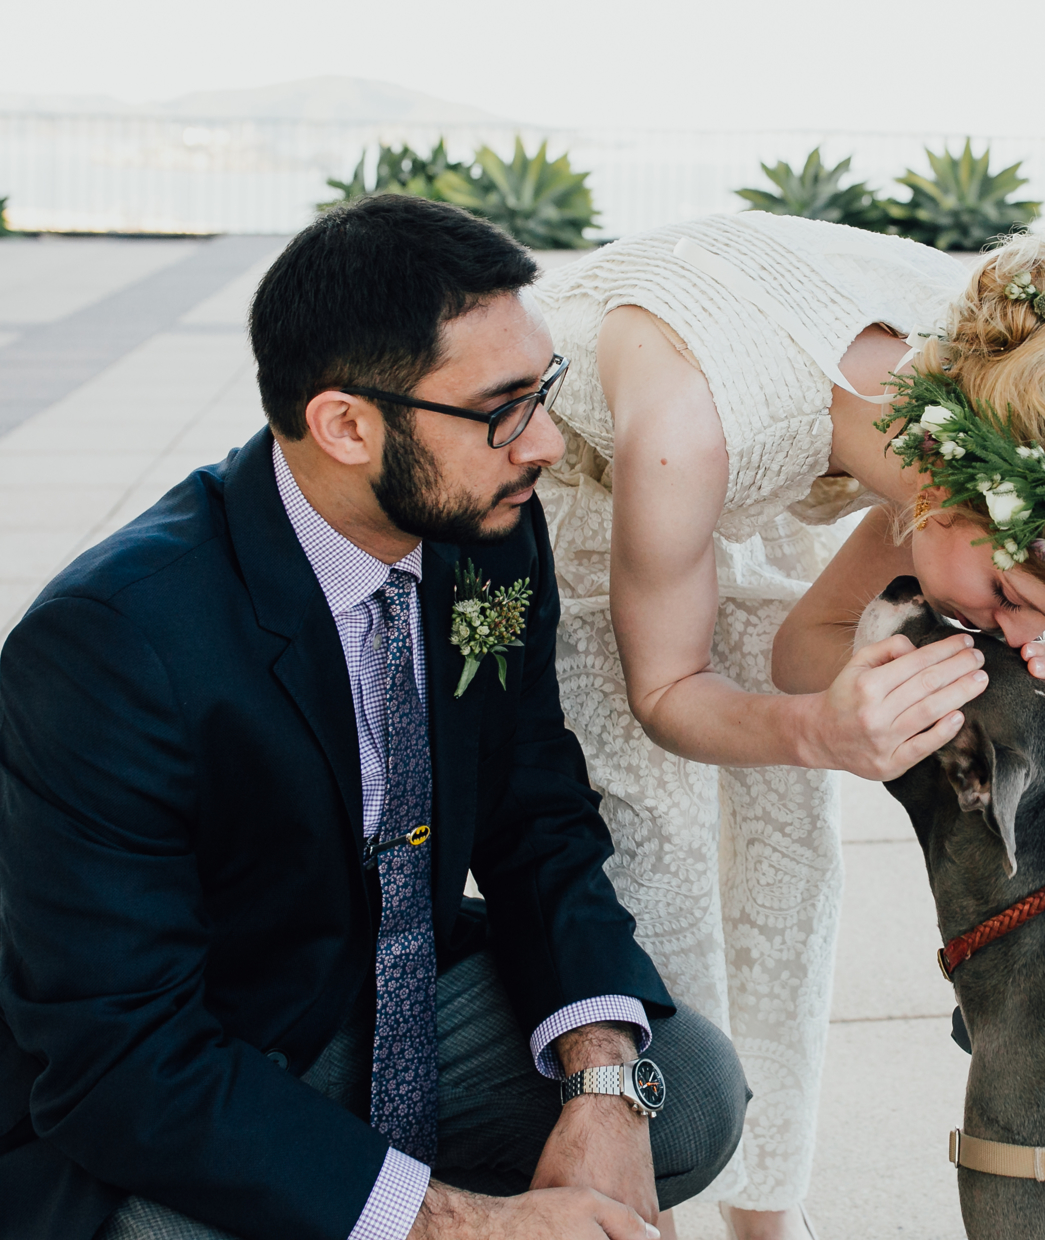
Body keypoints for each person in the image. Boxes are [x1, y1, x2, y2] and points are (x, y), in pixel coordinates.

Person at [0, 195, 747, 1240]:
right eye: (501, 409)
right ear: (346, 424)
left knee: (691, 1089)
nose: (543, 445)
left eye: (545, 391)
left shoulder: (484, 532)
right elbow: (121, 1059)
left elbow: (538, 814)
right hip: (205, 1059)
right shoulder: (113, 644)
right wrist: (464, 1225)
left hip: (391, 1000)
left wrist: (601, 1088)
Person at [533, 220, 1045, 1238]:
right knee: (657, 863)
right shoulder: (685, 428)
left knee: (791, 858)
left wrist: (953, 692)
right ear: (949, 497)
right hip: (609, 496)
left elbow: (802, 647)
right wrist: (821, 733)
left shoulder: (973, 403)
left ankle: (767, 1218)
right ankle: (653, 1207)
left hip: (762, 476)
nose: (1016, 631)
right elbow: (667, 694)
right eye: (1007, 594)